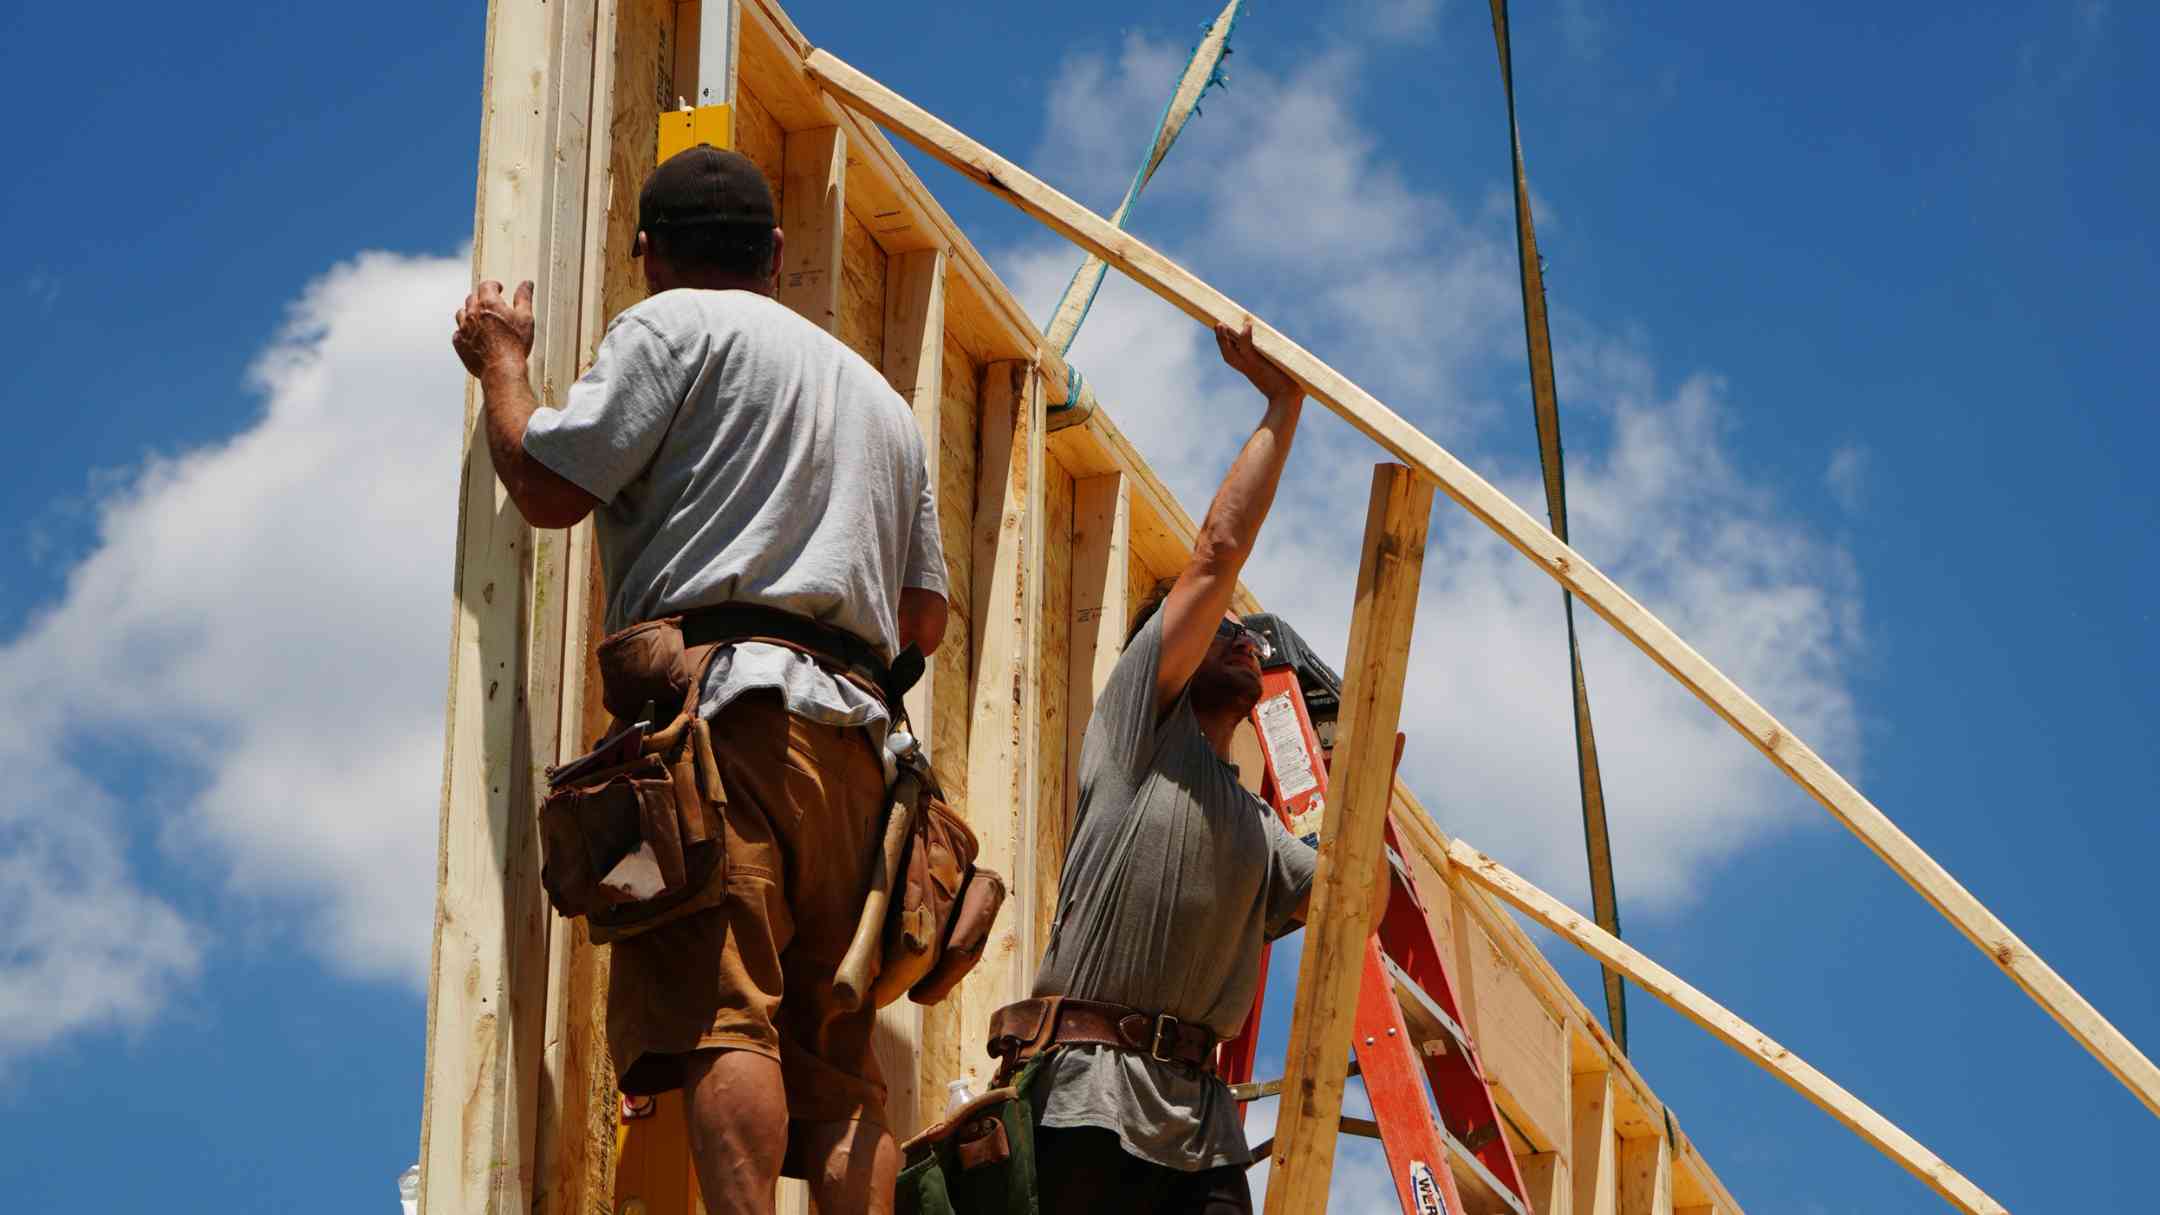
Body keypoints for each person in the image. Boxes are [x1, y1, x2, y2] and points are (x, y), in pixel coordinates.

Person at [451, 145, 945, 1215]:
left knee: (731, 1012)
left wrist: (503, 364)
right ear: (774, 255)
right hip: (865, 757)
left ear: (646, 253)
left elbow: (545, 485)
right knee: (843, 1069)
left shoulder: (670, 327)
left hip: (735, 724)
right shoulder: (881, 400)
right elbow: (926, 619)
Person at [998, 320, 1375, 1215]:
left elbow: (1356, 901)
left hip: (1201, 1134)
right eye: (1222, 629)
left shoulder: (1259, 832)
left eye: (1247, 635)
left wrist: (1348, 765)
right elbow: (1215, 554)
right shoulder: (1141, 730)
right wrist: (1284, 410)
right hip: (1087, 1106)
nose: (1242, 638)